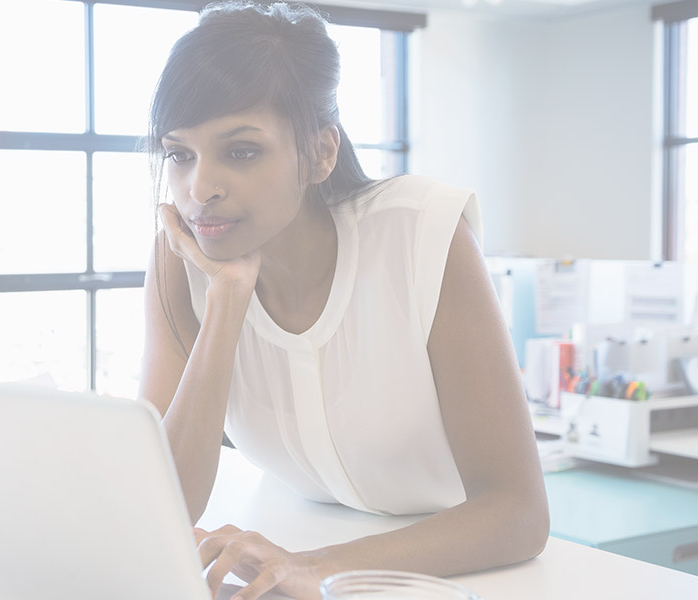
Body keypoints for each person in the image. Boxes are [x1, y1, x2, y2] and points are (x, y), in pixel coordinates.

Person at [138, 3, 549, 599]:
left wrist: (315, 566)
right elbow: (163, 500)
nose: (200, 188)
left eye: (242, 151)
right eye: (179, 154)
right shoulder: (181, 266)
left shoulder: (419, 234)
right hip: (283, 551)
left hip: (454, 575)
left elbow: (518, 512)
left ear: (320, 152)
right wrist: (228, 302)